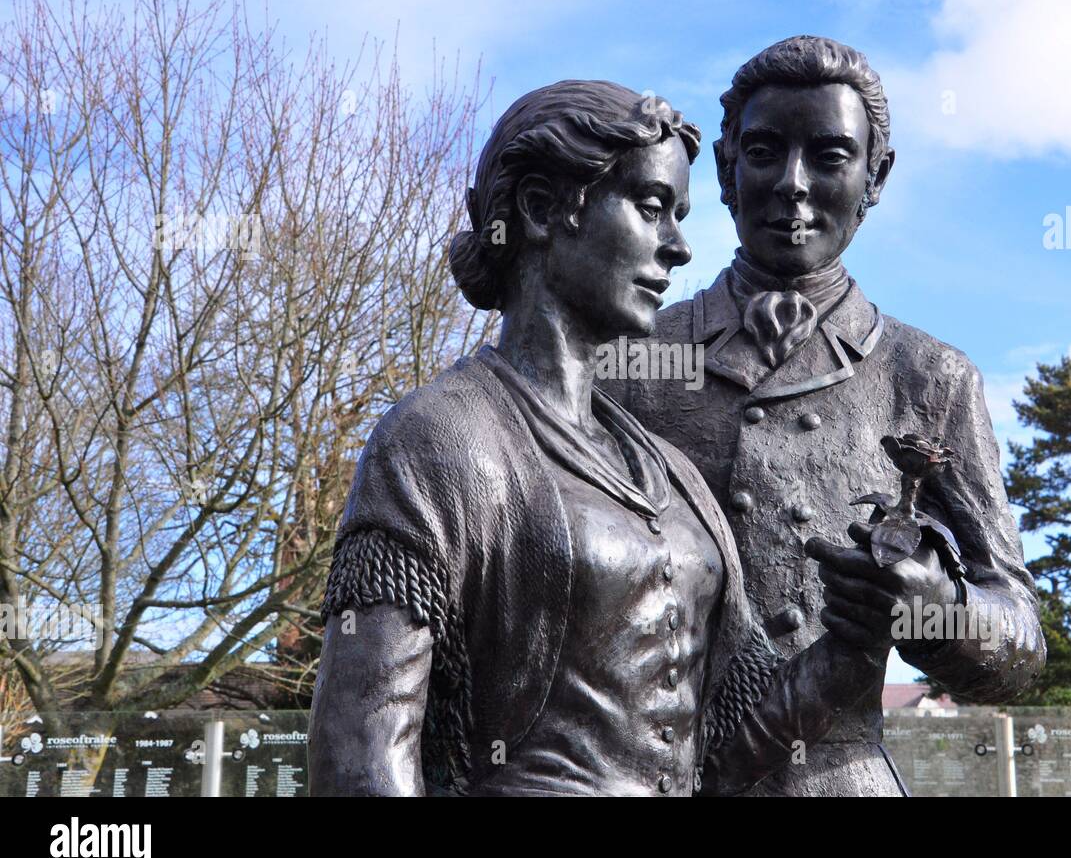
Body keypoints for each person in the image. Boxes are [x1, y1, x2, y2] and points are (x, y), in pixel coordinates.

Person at [308, 79, 903, 796]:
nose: (679, 247)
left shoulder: (673, 474)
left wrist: (855, 637)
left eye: (680, 215)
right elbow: (361, 759)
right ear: (540, 208)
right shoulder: (435, 442)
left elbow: (737, 740)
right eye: (652, 208)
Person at [610, 37, 1045, 796]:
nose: (793, 184)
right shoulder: (628, 357)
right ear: (724, 169)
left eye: (831, 156)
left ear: (876, 177)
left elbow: (1022, 645)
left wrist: (935, 610)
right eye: (765, 151)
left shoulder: (928, 376)